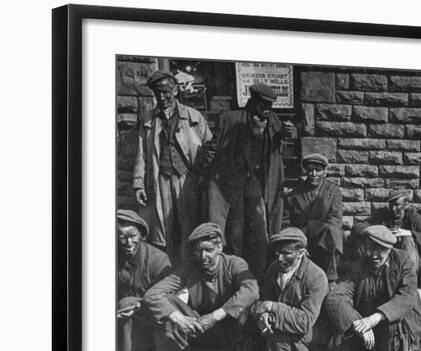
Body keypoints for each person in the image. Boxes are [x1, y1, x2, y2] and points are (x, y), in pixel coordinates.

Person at [200, 83, 296, 280]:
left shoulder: (273, 121)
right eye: (262, 104)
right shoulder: (230, 119)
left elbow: (284, 141)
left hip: (258, 187)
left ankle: (258, 278)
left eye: (270, 105)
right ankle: (232, 277)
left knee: (261, 237)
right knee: (234, 235)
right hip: (231, 186)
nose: (266, 109)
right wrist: (204, 176)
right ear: (252, 101)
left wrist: (291, 133)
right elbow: (212, 149)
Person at [141, 222, 259, 351]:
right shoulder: (189, 269)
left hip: (230, 329)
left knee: (248, 304)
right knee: (168, 301)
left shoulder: (234, 263)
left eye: (209, 250)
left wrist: (215, 316)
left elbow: (252, 290)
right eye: (199, 251)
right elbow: (152, 294)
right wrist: (180, 320)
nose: (203, 256)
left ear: (219, 248)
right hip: (199, 328)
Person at [133, 70, 212, 265]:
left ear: (175, 91)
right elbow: (141, 153)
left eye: (166, 91)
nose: (162, 96)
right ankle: (169, 271)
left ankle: (191, 270)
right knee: (164, 229)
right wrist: (138, 185)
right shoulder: (148, 119)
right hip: (161, 179)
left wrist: (205, 178)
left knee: (190, 227)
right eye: (157, 92)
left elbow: (209, 149)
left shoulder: (193, 117)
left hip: (188, 179)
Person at [324, 225, 421, 351]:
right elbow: (336, 298)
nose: (373, 255)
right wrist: (360, 324)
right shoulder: (358, 267)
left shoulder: (404, 262)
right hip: (369, 327)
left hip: (400, 323)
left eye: (380, 251)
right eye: (370, 249)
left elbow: (406, 297)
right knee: (341, 326)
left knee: (391, 328)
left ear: (389, 249)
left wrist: (376, 317)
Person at [250, 227, 329, 351]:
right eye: (278, 253)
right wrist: (263, 315)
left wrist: (272, 307)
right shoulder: (274, 269)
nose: (280, 258)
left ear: (301, 253)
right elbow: (263, 299)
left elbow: (304, 322)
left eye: (286, 253)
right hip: (276, 335)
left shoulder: (316, 277)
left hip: (305, 343)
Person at [116, 209, 172, 351]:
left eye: (132, 236)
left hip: (153, 315)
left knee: (127, 302)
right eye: (122, 236)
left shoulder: (158, 259)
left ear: (141, 234)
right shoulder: (112, 256)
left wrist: (139, 304)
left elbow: (169, 296)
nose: (128, 242)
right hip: (124, 319)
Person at [282, 153, 344, 281]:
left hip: (324, 238)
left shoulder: (333, 192)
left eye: (318, 170)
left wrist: (312, 227)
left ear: (325, 172)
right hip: (302, 238)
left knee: (333, 232)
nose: (314, 174)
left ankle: (331, 277)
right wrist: (298, 237)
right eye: (310, 170)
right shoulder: (295, 194)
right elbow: (286, 221)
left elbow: (335, 219)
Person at [366, 188, 421, 271]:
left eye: (397, 205)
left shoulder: (414, 218)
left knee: (407, 240)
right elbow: (360, 226)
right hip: (386, 258)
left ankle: (408, 277)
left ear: (406, 205)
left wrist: (408, 233)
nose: (393, 209)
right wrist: (380, 231)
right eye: (391, 205)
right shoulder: (383, 215)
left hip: (410, 260)